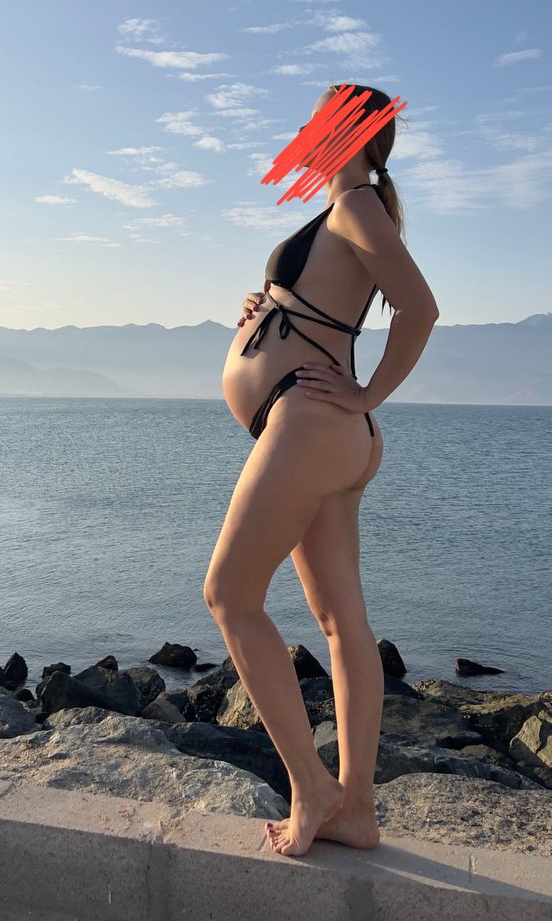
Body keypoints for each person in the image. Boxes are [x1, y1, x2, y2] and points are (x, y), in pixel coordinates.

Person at [205, 82, 439, 858]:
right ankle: (356, 808)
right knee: (342, 624)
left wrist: (368, 392)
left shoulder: (357, 202)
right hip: (330, 434)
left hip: (312, 425)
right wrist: (272, 306)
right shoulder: (349, 207)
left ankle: (311, 786)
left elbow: (419, 308)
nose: (306, 129)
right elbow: (332, 305)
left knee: (230, 596)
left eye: (319, 118)